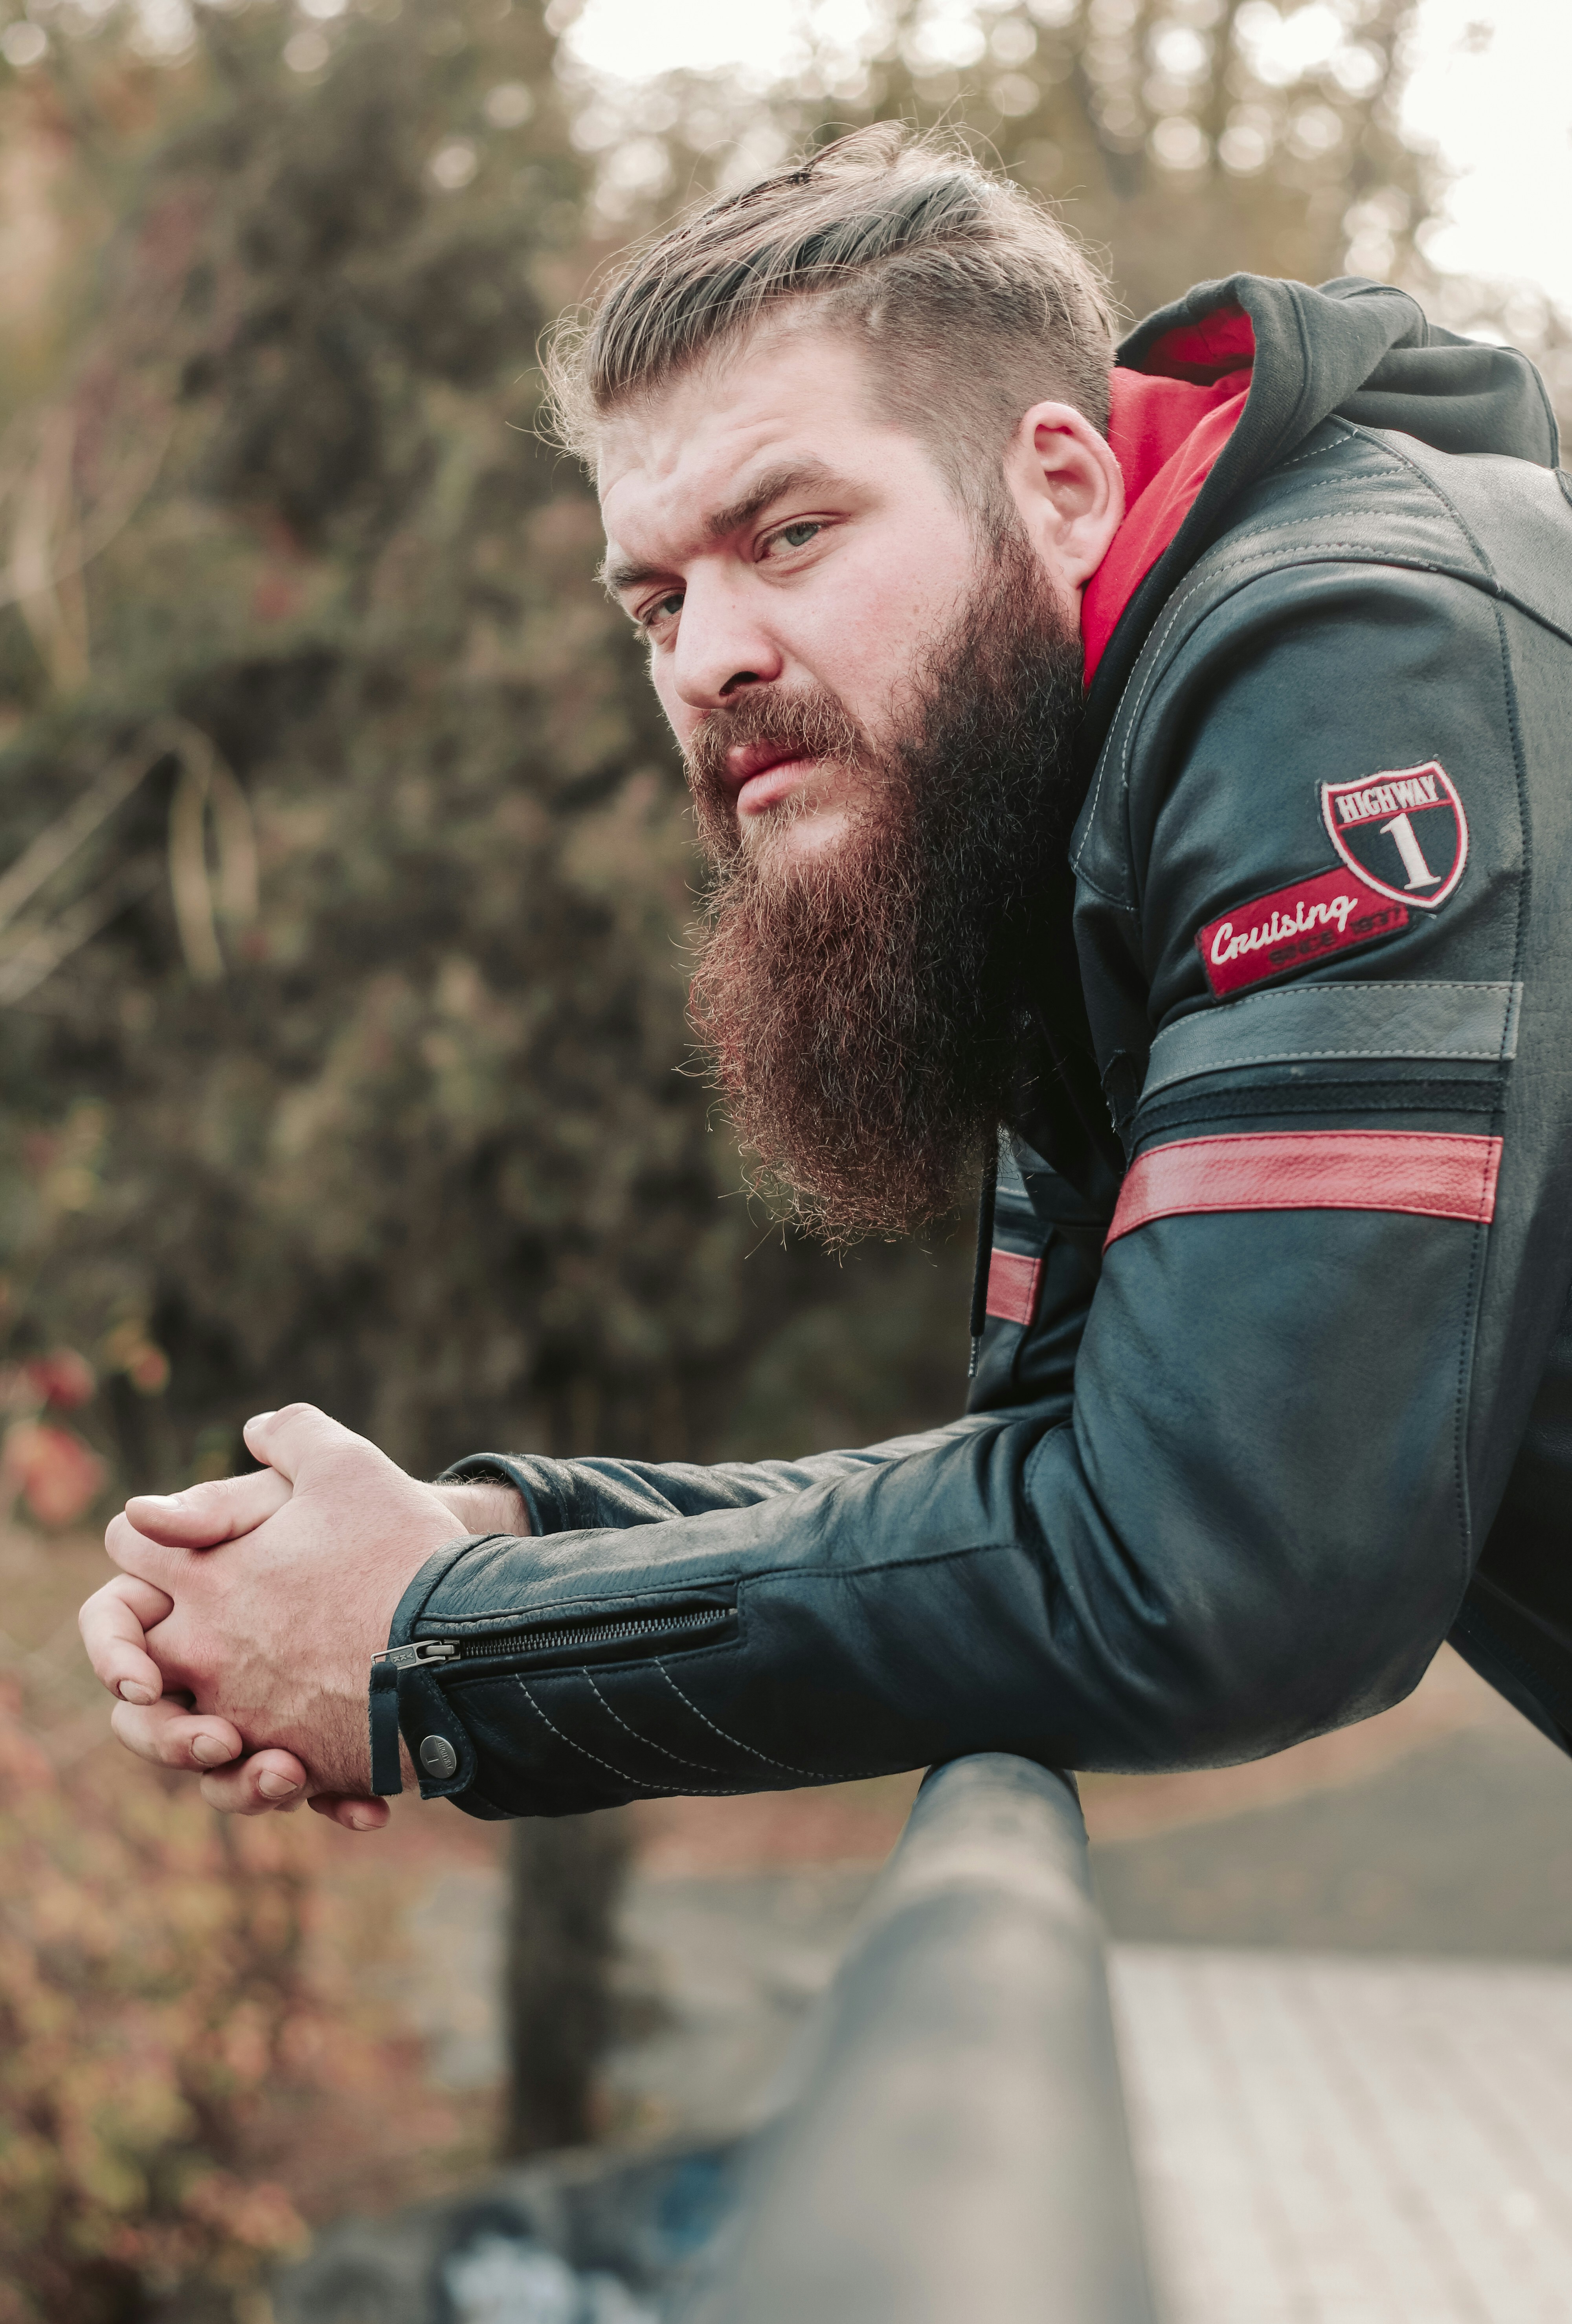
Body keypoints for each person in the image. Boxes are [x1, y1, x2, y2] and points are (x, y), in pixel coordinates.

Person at [79, 125, 1572, 1835]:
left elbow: (1217, 1568)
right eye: (654, 601)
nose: (708, 658)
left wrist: (432, 1645)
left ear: (1060, 487)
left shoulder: (1354, 667)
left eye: (788, 534)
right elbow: (1079, 1471)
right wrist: (497, 1545)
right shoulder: (1060, 773)